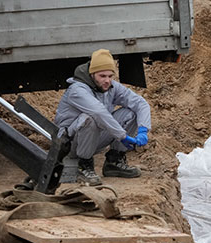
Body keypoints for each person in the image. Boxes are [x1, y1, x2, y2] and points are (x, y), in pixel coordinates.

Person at [55, 49, 152, 186]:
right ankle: (84, 165)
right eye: (102, 76)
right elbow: (99, 112)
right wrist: (122, 136)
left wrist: (143, 129)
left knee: (132, 113)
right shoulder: (77, 90)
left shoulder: (110, 87)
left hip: (93, 139)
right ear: (92, 74)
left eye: (110, 76)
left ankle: (114, 161)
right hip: (71, 144)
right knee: (89, 118)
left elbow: (140, 103)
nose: (107, 80)